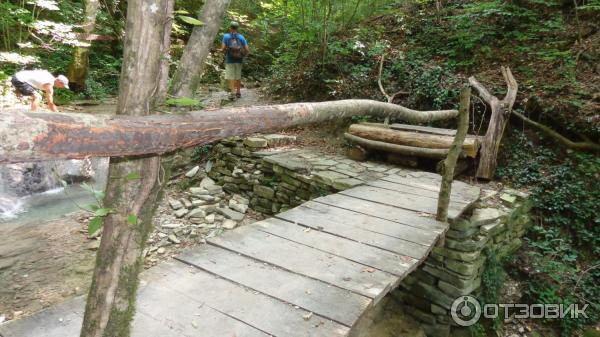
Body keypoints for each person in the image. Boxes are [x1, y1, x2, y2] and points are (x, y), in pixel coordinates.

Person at [220, 21, 249, 100]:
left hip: (230, 60)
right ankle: (238, 92)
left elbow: (222, 49)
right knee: (238, 76)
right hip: (239, 59)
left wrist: (222, 51)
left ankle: (232, 92)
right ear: (237, 28)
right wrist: (244, 56)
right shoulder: (241, 37)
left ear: (230, 28)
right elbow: (247, 49)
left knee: (231, 77)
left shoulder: (226, 36)